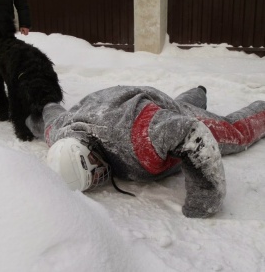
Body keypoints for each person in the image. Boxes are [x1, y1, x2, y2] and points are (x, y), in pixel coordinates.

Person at [25, 85, 265, 218]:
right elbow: (52, 117)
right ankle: (198, 91)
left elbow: (193, 135)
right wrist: (32, 121)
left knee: (234, 133)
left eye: (96, 170)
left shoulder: (138, 138)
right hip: (112, 104)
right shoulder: (60, 135)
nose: (102, 177)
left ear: (88, 151)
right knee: (175, 113)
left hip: (144, 110)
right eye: (94, 181)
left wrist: (204, 200)